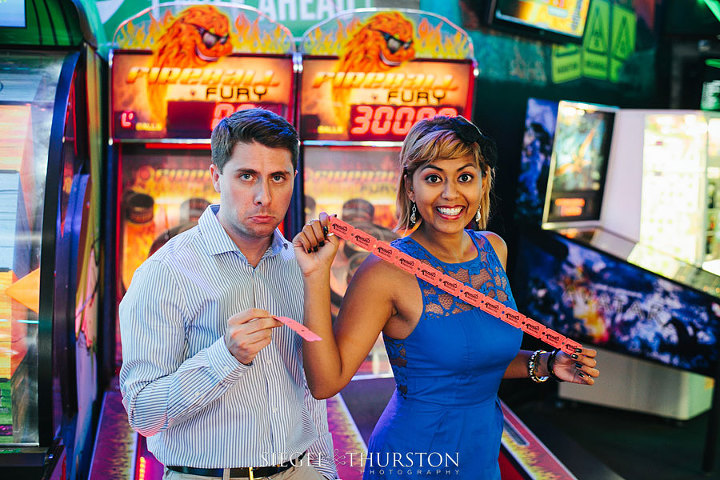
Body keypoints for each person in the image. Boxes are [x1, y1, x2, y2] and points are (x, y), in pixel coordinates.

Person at [293, 116, 599, 479]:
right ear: (410, 186)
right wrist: (315, 277)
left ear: (484, 182)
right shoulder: (385, 271)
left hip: (481, 455)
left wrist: (545, 363)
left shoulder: (493, 250)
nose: (451, 194)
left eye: (465, 177)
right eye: (434, 178)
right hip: (413, 459)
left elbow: (471, 362)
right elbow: (325, 382)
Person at [119, 108, 337, 480]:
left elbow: (307, 393)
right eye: (246, 176)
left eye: (278, 177)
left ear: (293, 179)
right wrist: (225, 356)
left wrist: (324, 471)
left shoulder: (300, 266)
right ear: (216, 176)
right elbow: (143, 414)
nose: (263, 196)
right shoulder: (165, 272)